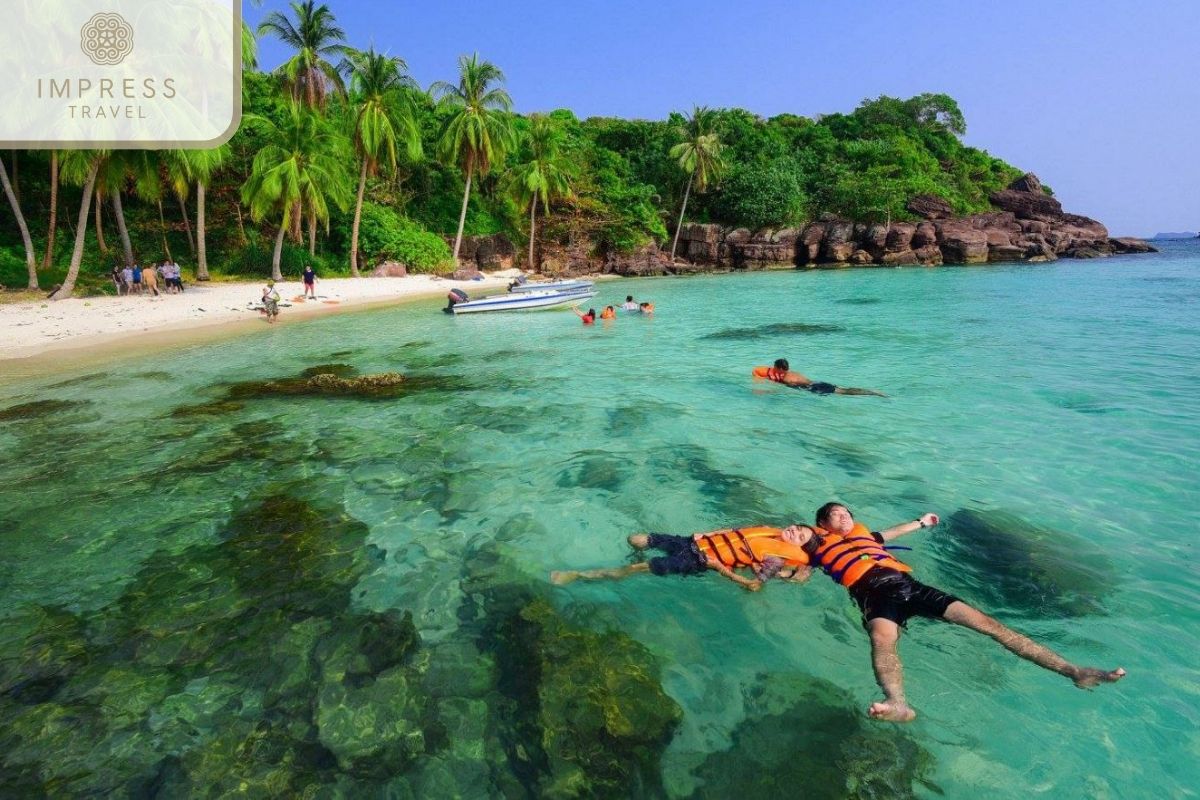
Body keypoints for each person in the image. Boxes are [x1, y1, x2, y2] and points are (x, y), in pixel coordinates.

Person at [780, 503, 1125, 723]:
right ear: (820, 523)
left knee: (988, 624)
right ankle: (897, 703)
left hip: (909, 586)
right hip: (873, 596)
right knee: (882, 642)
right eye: (836, 514)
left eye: (847, 513)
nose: (845, 517)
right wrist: (785, 569)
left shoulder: (865, 535)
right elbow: (799, 570)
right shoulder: (815, 547)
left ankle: (1073, 670)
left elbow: (890, 533)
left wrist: (921, 521)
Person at [551, 525, 814, 592]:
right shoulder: (771, 531)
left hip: (697, 561)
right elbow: (735, 533)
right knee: (636, 539)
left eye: (800, 536)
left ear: (799, 546)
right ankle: (635, 557)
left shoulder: (776, 560)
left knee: (634, 568)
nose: (794, 531)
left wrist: (720, 568)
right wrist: (709, 533)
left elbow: (754, 586)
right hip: (691, 542)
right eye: (797, 527)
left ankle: (578, 576)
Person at [753, 358, 886, 397]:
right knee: (843, 389)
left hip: (813, 387)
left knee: (844, 392)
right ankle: (872, 391)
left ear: (780, 368)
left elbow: (783, 387)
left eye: (775, 367)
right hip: (817, 382)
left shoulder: (786, 379)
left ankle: (872, 393)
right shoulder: (794, 373)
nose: (773, 368)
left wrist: (766, 390)